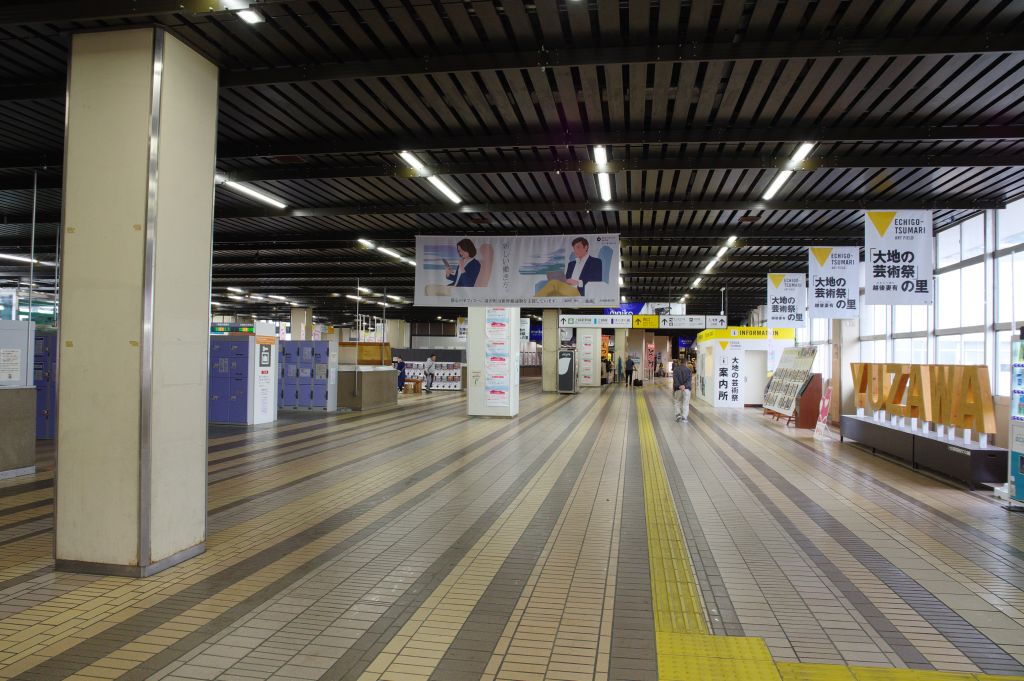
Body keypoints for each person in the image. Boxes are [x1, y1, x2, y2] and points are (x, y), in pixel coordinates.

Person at [535, 236, 604, 297]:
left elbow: (598, 278)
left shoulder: (596, 262)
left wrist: (578, 282)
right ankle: (538, 302)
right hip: (567, 289)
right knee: (553, 283)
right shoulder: (571, 264)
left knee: (553, 283)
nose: (575, 251)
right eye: (574, 248)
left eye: (578, 247)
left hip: (579, 292)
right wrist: (565, 280)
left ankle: (535, 301)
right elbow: (567, 278)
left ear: (586, 247)